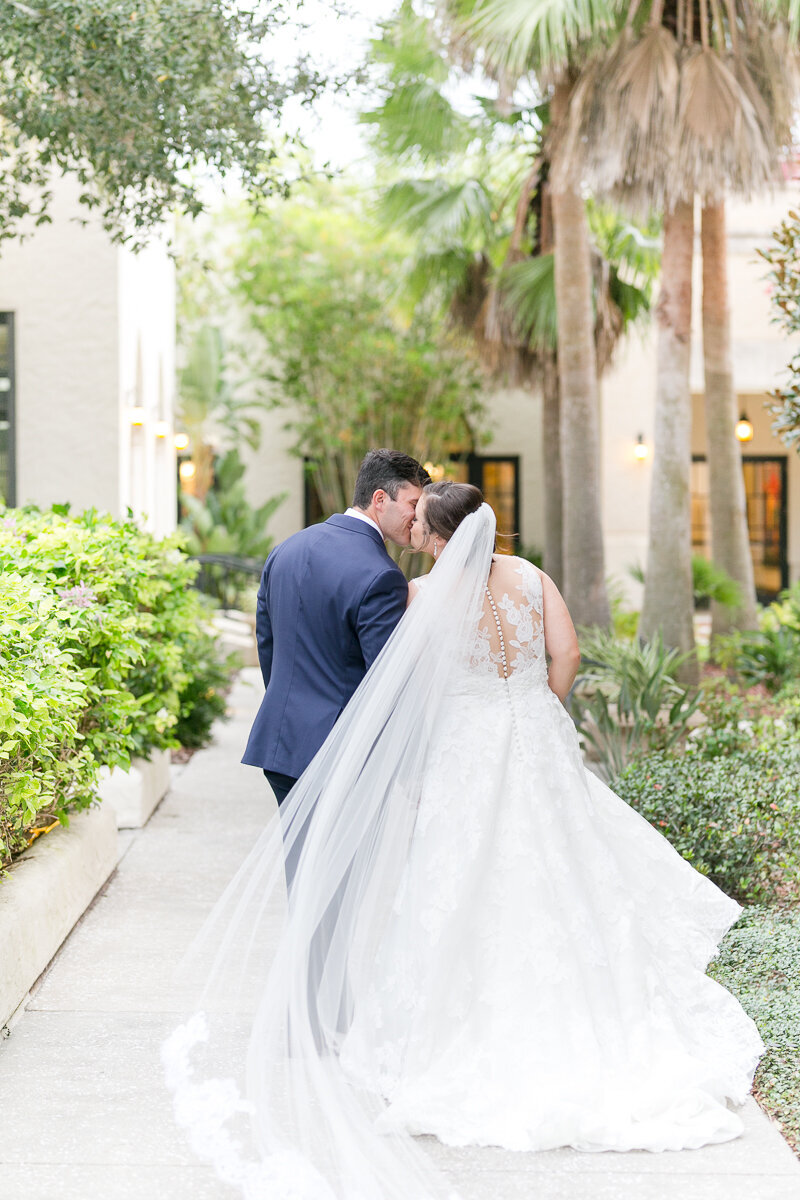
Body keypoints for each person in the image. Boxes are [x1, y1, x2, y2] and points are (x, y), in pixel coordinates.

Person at [164, 482, 763, 1200]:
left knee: (457, 876)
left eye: (420, 520)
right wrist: (539, 706)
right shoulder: (533, 577)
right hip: (533, 736)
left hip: (464, 749)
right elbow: (565, 654)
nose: (411, 526)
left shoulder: (425, 596)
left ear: (438, 534)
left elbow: (405, 684)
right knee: (560, 866)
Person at [241, 448, 430, 808]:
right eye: (412, 503)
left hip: (282, 743)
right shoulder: (382, 575)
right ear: (379, 499)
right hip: (340, 755)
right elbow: (385, 679)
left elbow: (268, 645)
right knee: (344, 866)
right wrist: (410, 769)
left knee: (301, 863)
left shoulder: (286, 550)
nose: (418, 515)